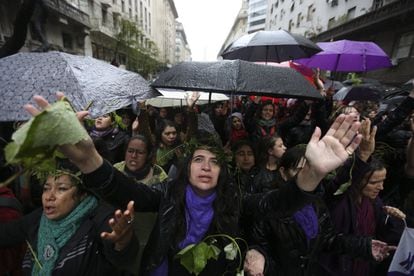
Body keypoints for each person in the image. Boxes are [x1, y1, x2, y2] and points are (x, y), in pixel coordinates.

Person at [24, 93, 394, 276]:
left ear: (223, 174)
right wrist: (87, 158)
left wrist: (311, 173)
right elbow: (123, 189)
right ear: (186, 170)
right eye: (198, 160)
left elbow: (277, 204)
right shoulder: (168, 194)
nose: (206, 166)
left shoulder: (235, 202)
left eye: (215, 162)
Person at [241, 115, 397, 276]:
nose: (306, 175)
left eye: (309, 169)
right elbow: (259, 247)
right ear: (283, 172)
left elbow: (328, 240)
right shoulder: (267, 207)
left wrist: (362, 246)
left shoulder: (317, 202)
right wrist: (258, 258)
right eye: (298, 169)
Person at [0, 160, 139, 275]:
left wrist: (122, 243)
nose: (49, 196)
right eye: (46, 188)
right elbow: (6, 233)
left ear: (82, 195)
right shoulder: (37, 219)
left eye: (61, 188)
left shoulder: (99, 218)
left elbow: (122, 258)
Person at [114, 134, 168, 272]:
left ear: (148, 155)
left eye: (140, 152)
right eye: (130, 151)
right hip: (116, 240)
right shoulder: (115, 172)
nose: (133, 156)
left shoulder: (160, 179)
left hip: (146, 241)